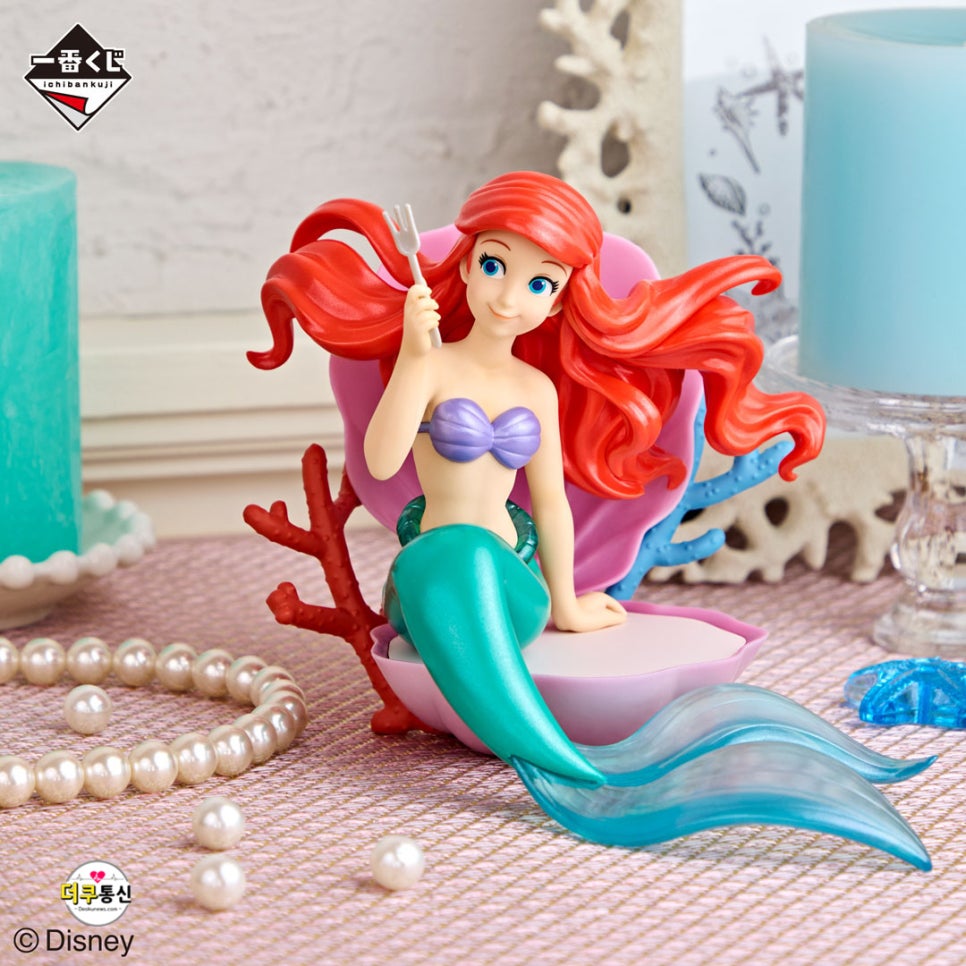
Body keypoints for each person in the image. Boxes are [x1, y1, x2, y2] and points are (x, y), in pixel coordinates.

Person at [251, 171, 930, 868]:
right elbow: (382, 456)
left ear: (558, 301)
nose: (510, 297)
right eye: (495, 266)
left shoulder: (535, 389)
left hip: (513, 593)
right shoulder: (433, 365)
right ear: (466, 265)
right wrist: (414, 360)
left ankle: (567, 761)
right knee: (453, 551)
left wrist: (567, 605)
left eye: (539, 283)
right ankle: (562, 761)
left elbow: (548, 504)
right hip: (430, 581)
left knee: (476, 554)